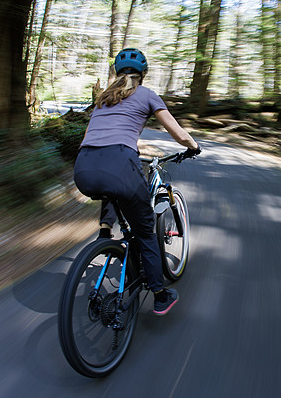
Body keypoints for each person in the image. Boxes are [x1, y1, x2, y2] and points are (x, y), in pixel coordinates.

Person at [73, 47, 200, 316]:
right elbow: (176, 132)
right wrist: (193, 145)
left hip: (83, 168)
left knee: (112, 186)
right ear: (143, 74)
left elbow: (94, 136)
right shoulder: (147, 95)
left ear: (117, 73)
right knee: (145, 233)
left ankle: (105, 231)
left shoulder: (103, 99)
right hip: (119, 164)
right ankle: (159, 294)